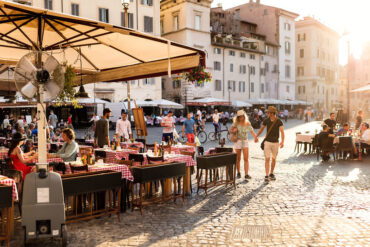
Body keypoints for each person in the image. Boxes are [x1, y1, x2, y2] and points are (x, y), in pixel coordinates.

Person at [256, 106, 284, 182]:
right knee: (267, 158)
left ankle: (271, 173)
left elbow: (282, 131)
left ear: (272, 113)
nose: (267, 114)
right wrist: (256, 136)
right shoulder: (266, 120)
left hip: (275, 143)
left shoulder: (279, 121)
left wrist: (282, 141)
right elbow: (261, 129)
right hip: (267, 142)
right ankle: (266, 175)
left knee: (274, 159)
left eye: (268, 112)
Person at [229, 110, 258, 179]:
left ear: (244, 116)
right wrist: (233, 130)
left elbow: (252, 131)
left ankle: (246, 174)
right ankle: (238, 172)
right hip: (237, 142)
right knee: (238, 159)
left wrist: (255, 137)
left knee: (246, 159)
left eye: (242, 116)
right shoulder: (235, 123)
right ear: (238, 117)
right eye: (239, 117)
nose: (241, 118)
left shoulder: (247, 123)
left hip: (245, 141)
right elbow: (230, 130)